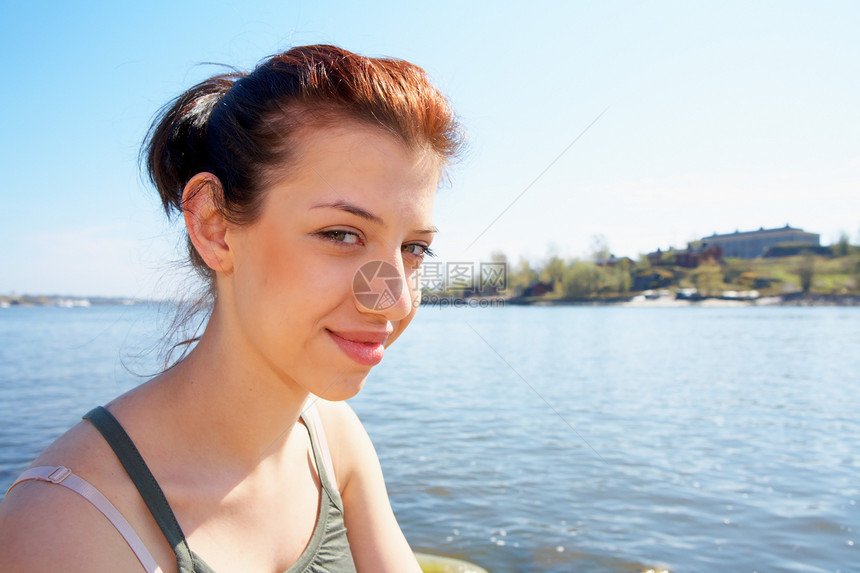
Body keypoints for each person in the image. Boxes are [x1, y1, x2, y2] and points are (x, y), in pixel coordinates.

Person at [0, 44, 463, 572]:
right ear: (215, 228)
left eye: (414, 249)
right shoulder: (66, 524)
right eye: (341, 234)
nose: (396, 298)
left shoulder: (333, 440)